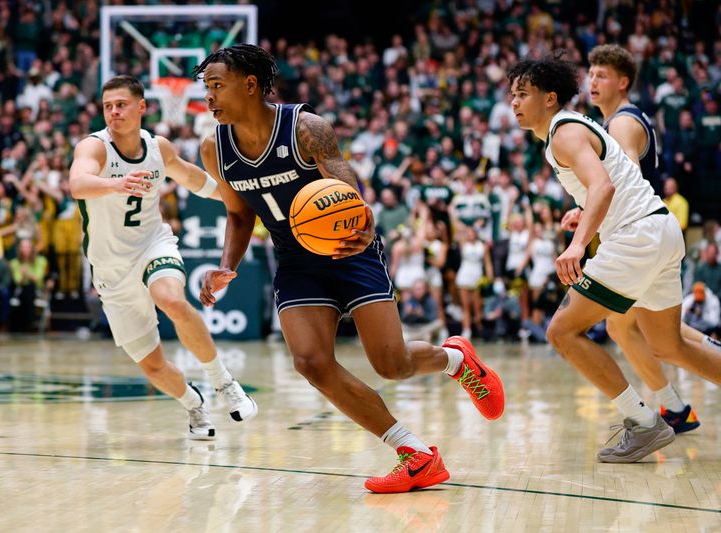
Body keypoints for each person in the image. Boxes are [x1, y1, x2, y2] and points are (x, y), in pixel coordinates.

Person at [193, 44, 504, 494]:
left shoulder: (305, 128)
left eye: (217, 86)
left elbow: (344, 182)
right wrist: (226, 266)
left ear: (250, 85)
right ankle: (414, 453)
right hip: (296, 260)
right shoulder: (214, 149)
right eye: (207, 88)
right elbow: (240, 215)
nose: (210, 97)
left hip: (347, 249)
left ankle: (458, 360)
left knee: (392, 364)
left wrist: (363, 219)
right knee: (311, 362)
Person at [509, 53, 721, 464]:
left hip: (634, 236)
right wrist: (584, 209)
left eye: (523, 94)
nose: (515, 103)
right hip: (658, 229)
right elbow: (609, 183)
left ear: (550, 98)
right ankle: (660, 413)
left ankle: (643, 423)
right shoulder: (572, 128)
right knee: (668, 344)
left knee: (561, 332)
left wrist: (577, 244)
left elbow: (604, 186)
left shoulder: (562, 133)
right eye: (512, 95)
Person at [68, 75, 257, 440]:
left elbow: (194, 179)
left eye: (121, 104)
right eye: (107, 106)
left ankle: (224, 383)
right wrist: (114, 183)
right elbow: (78, 183)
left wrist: (243, 199)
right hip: (110, 268)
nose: (113, 112)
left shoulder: (158, 148)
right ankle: (193, 404)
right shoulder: (94, 148)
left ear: (142, 107)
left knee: (170, 298)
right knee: (153, 367)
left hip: (153, 244)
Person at [580, 44, 721, 433]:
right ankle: (674, 409)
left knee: (660, 340)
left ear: (623, 82)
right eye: (590, 74)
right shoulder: (623, 119)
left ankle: (669, 409)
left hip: (639, 234)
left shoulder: (622, 124)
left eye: (602, 75)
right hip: (646, 233)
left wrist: (592, 210)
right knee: (630, 328)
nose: (593, 81)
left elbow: (624, 177)